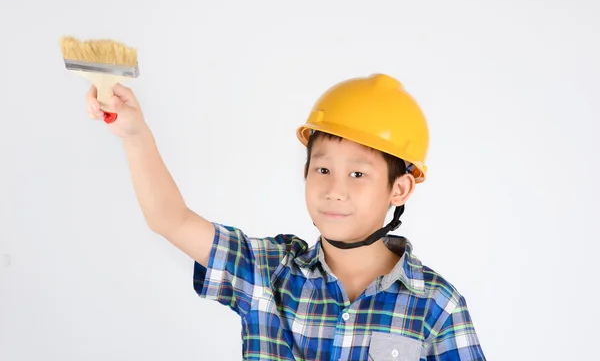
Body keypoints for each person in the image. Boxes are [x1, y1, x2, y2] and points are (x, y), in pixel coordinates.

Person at [85, 73, 486, 360]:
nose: (335, 189)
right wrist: (134, 134)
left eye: (358, 174)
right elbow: (170, 220)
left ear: (399, 189)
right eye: (323, 169)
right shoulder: (270, 271)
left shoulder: (436, 306)